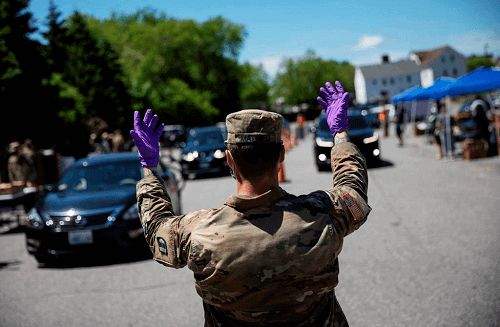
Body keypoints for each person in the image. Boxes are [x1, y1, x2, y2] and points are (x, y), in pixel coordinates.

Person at [131, 80, 371, 326]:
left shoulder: (197, 233)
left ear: (229, 159)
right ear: (281, 155)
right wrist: (340, 136)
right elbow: (353, 189)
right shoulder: (323, 214)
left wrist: (148, 166)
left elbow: (156, 226)